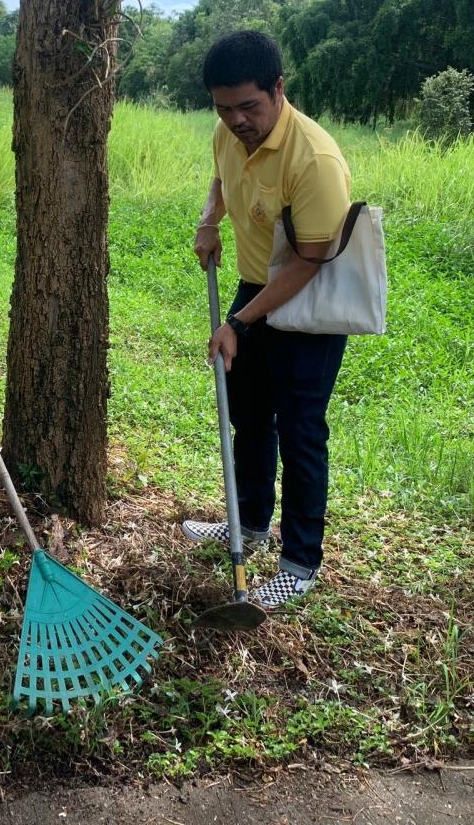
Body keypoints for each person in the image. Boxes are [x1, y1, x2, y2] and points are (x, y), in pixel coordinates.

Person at [182, 30, 351, 609]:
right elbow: (221, 177)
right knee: (250, 416)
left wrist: (240, 323)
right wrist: (210, 221)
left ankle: (300, 562)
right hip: (256, 288)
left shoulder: (315, 159)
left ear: (278, 89)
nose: (235, 120)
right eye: (223, 108)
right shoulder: (230, 132)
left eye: (248, 106)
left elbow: (310, 261)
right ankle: (250, 525)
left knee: (301, 429)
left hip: (310, 303)